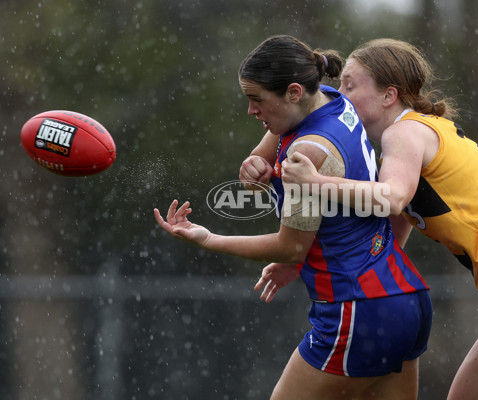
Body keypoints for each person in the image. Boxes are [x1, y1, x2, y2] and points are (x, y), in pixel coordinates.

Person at [246, 38, 478, 400]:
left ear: (388, 95)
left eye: (350, 85)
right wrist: (300, 260)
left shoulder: (404, 132)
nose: (341, 95)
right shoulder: (414, 137)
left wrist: (316, 182)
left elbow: (393, 200)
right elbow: (386, 237)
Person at [154, 35, 432, 400]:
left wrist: (208, 239)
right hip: (405, 296)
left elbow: (291, 247)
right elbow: (263, 163)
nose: (252, 111)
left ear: (294, 92)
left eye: (258, 100)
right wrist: (255, 166)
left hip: (355, 309)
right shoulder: (335, 101)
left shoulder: (305, 157)